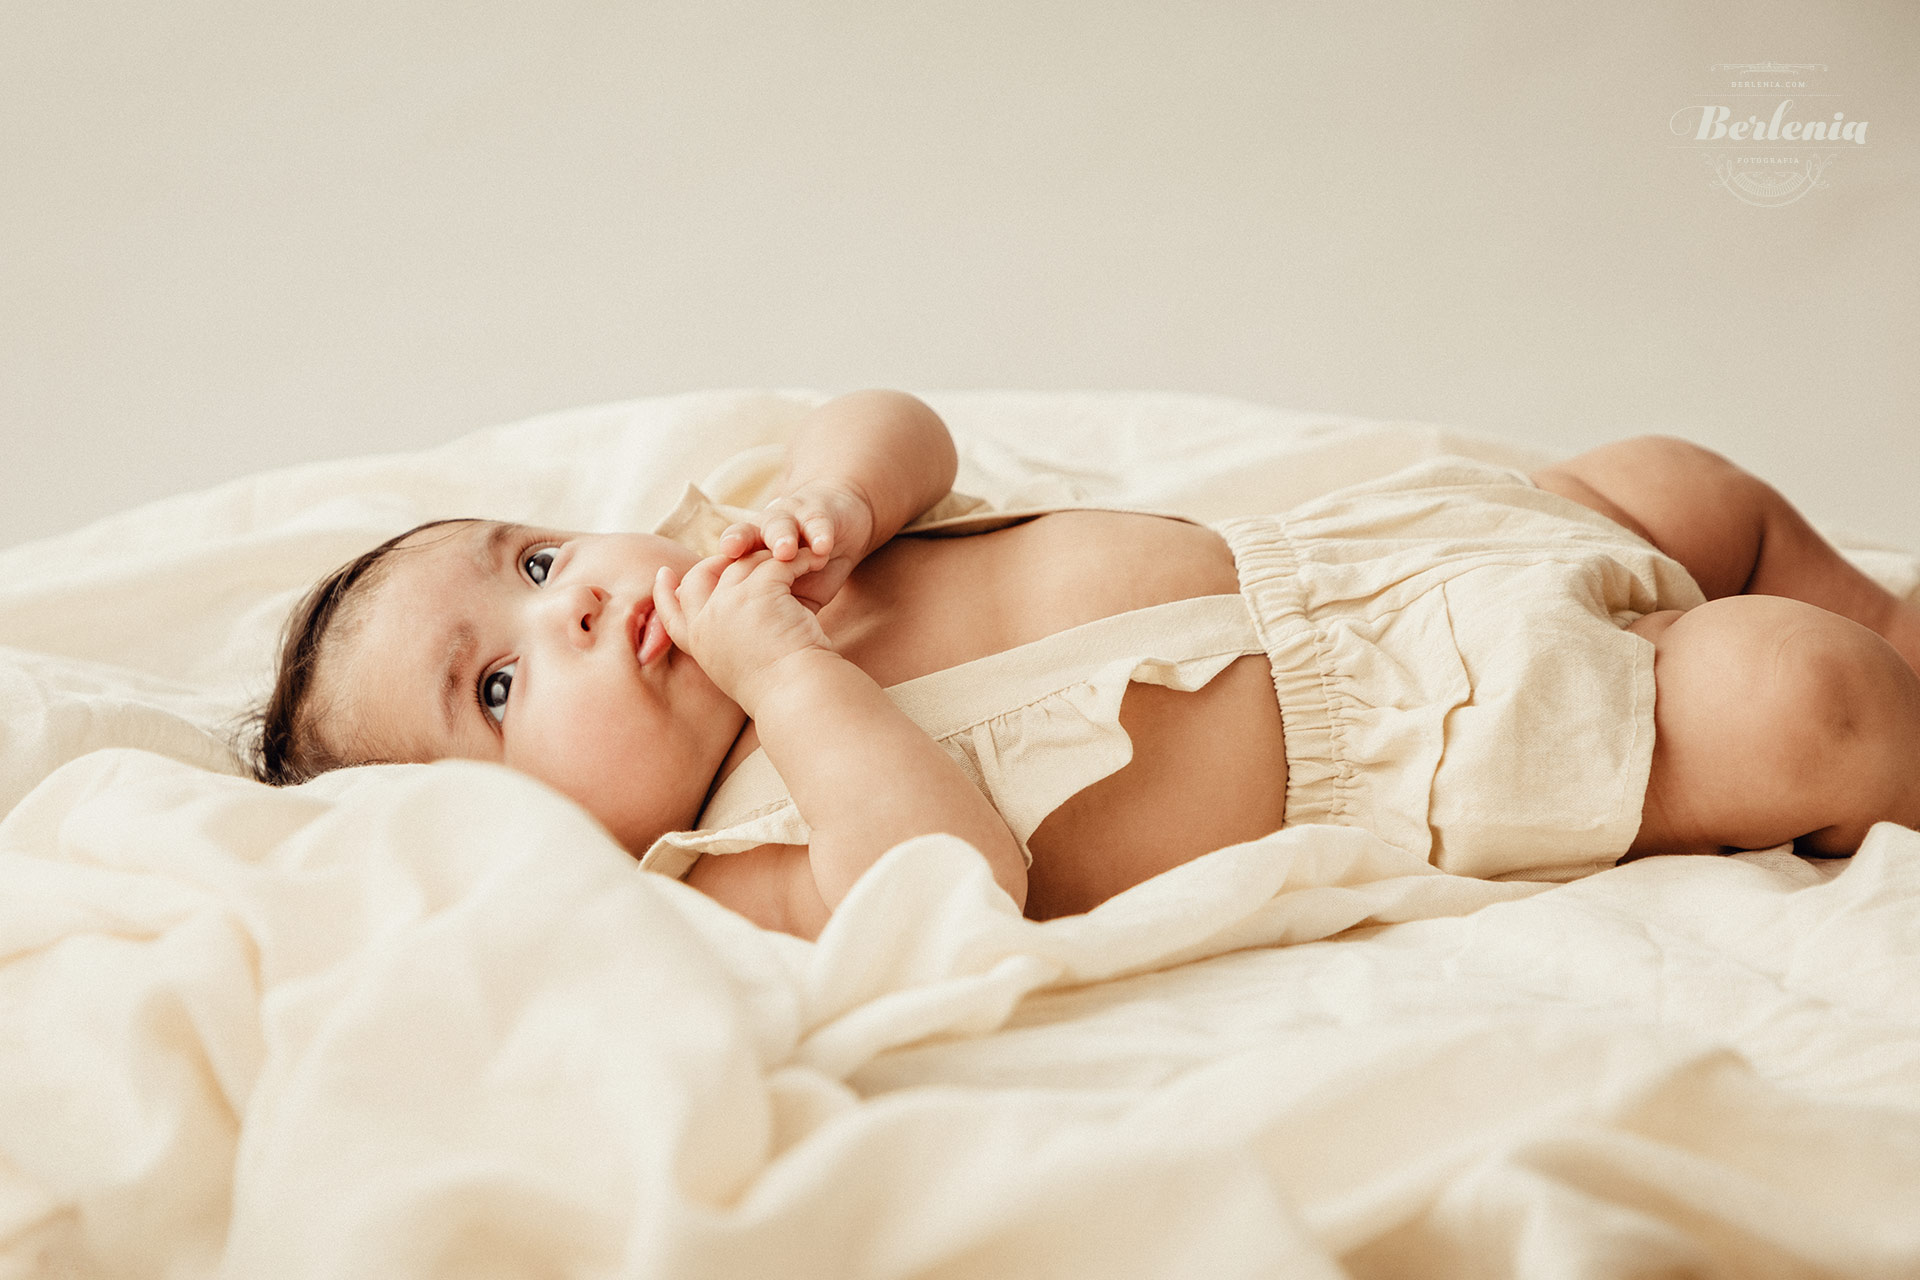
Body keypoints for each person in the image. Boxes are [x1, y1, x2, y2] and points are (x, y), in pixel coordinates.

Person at [250, 390, 1920, 940]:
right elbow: (947, 877)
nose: (573, 610)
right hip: (1432, 736)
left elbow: (899, 418)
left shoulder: (759, 543)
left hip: (1378, 556)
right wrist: (789, 676)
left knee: (1688, 486)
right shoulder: (736, 852)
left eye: (537, 563)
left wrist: (849, 492)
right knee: (1793, 694)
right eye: (498, 688)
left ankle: (1898, 614)